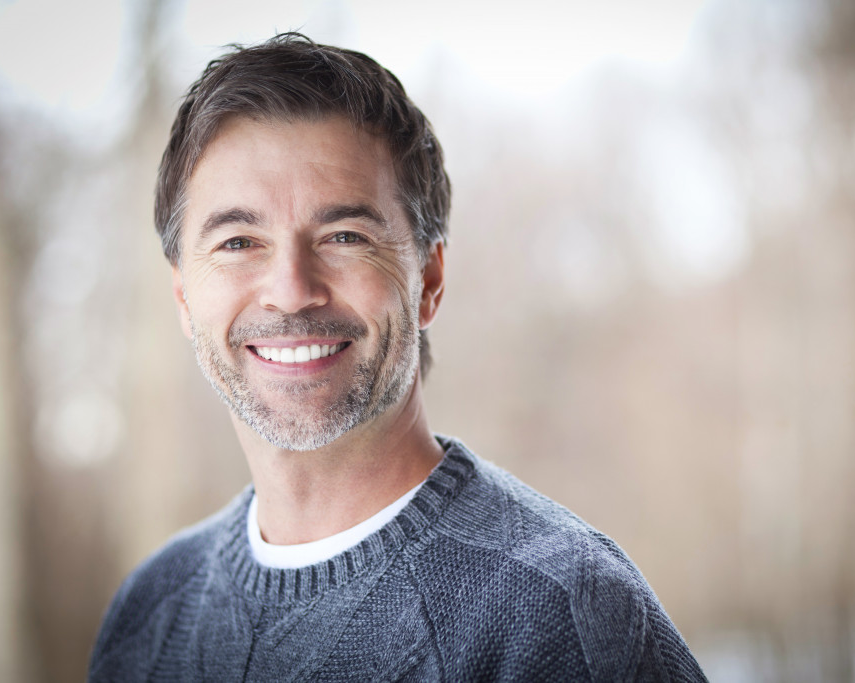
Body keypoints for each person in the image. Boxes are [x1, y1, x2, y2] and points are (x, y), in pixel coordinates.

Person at [88, 33, 708, 682]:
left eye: (345, 235)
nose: (292, 290)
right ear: (185, 296)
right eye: (240, 241)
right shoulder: (147, 614)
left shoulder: (564, 616)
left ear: (429, 278)